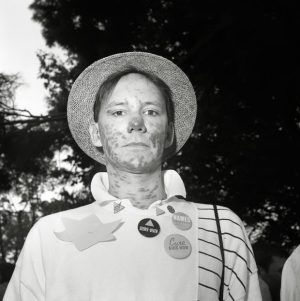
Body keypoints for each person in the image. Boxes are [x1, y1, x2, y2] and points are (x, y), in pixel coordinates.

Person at [4, 52, 262, 300]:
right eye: (118, 112)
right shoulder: (49, 235)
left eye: (151, 111)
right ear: (96, 133)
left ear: (169, 132)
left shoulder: (221, 229)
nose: (136, 123)